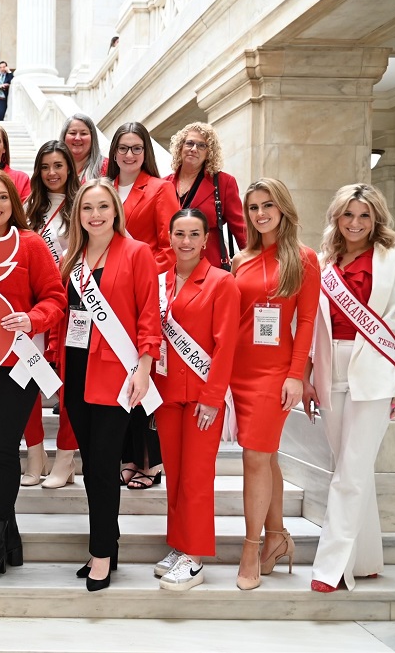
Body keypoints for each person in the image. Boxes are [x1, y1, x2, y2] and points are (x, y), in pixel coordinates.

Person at [304, 184, 395, 593]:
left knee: (351, 470)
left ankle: (330, 567)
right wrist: (306, 375)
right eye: (348, 215)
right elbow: (308, 325)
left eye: (364, 216)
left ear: (377, 218)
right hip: (329, 369)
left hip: (376, 370)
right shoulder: (321, 262)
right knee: (349, 468)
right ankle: (367, 559)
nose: (355, 223)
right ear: (336, 217)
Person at [0, 168, 66, 586]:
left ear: (14, 203)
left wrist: (32, 318)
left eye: (2, 198)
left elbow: (56, 298)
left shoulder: (31, 244)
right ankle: (12, 540)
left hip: (19, 363)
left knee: (4, 449)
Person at [58, 179, 161, 592]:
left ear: (115, 211)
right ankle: (108, 545)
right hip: (77, 372)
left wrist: (145, 367)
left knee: (102, 468)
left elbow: (149, 316)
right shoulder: (74, 257)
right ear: (78, 215)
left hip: (116, 376)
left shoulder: (136, 253)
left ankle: (100, 554)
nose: (95, 215)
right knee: (93, 468)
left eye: (102, 207)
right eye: (87, 209)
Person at [230, 178, 319, 590]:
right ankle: (278, 538)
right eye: (253, 208)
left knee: (254, 457)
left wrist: (296, 375)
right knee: (266, 459)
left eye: (268, 205)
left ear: (283, 208)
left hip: (274, 374)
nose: (261, 214)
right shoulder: (241, 259)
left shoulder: (304, 259)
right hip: (239, 371)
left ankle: (252, 547)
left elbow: (305, 325)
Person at [152, 208, 240, 591]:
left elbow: (226, 346)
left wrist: (213, 397)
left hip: (203, 398)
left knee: (197, 477)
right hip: (168, 394)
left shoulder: (222, 282)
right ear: (169, 237)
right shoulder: (159, 283)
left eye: (194, 234)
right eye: (179, 234)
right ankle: (179, 544)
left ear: (207, 239)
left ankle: (195, 556)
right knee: (174, 475)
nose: (186, 242)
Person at [106, 122, 178, 490]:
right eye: (123, 147)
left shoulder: (160, 189)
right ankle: (128, 456)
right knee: (119, 377)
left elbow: (173, 245)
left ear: (145, 151)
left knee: (144, 374)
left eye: (136, 148)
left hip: (146, 294)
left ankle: (152, 460)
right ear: (114, 151)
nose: (129, 155)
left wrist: (143, 271)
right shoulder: (104, 188)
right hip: (108, 298)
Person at [24, 140, 82, 489]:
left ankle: (64, 458)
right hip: (35, 308)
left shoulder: (81, 207)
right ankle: (34, 454)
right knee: (28, 382)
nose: (52, 173)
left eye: (58, 165)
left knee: (69, 388)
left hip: (74, 306)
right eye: (45, 166)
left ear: (69, 169)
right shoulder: (29, 208)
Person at [165, 123, 246, 269]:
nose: (194, 149)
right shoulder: (163, 184)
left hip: (210, 269)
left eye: (202, 146)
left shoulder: (224, 182)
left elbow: (241, 230)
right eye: (189, 143)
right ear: (180, 147)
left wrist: (256, 261)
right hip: (171, 268)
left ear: (209, 152)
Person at [59, 113, 107, 183]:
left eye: (83, 133)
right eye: (72, 133)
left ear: (93, 138)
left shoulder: (107, 166)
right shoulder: (54, 168)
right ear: (64, 137)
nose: (77, 138)